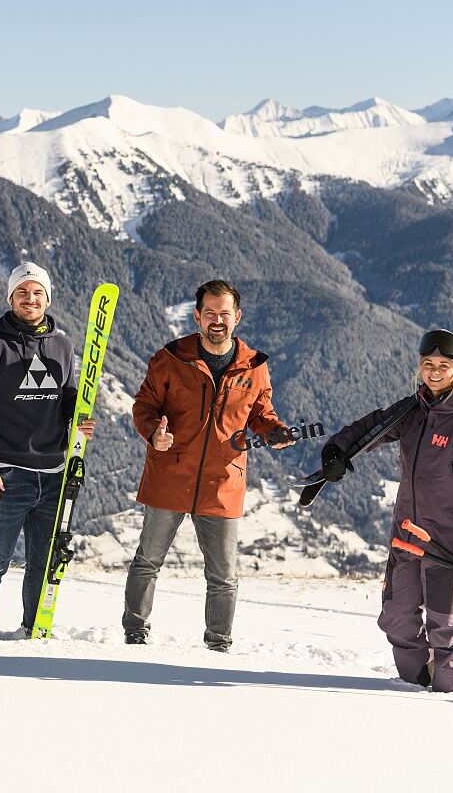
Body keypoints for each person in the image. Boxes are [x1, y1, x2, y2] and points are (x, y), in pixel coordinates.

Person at [320, 328, 453, 695]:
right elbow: (371, 426)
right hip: (406, 538)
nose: (434, 372)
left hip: (448, 547)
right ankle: (413, 688)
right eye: (427, 364)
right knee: (396, 619)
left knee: (446, 627)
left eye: (443, 366)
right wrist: (337, 450)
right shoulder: (413, 412)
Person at [123, 279, 291, 652]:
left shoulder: (255, 366)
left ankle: (218, 644)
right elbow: (144, 406)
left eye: (224, 314)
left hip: (222, 481)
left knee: (224, 576)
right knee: (148, 560)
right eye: (210, 313)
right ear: (197, 316)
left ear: (237, 318)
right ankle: (134, 633)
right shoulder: (169, 358)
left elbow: (262, 415)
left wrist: (277, 431)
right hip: (170, 474)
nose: (217, 320)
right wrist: (153, 433)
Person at [0, 262, 94, 641]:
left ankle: (34, 629)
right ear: (11, 298)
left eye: (37, 293)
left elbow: (65, 398)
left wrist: (78, 420)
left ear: (48, 298)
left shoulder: (62, 346)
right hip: (6, 473)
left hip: (53, 474)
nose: (30, 299)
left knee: (42, 563)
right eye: (22, 292)